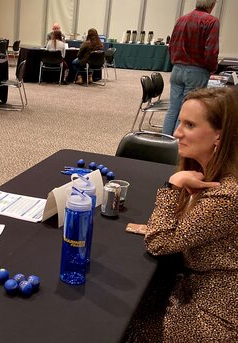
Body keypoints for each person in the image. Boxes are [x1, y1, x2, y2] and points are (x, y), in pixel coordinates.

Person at [127, 87, 238, 342]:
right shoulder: (212, 175)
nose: (176, 133)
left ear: (218, 137)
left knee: (128, 324)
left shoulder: (228, 195)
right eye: (180, 122)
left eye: (189, 125)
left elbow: (159, 242)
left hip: (216, 313)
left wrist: (172, 186)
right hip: (199, 287)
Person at [162, 0, 219, 135]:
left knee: (173, 109)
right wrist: (212, 69)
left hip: (177, 69)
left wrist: (176, 62)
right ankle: (177, 148)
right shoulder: (212, 22)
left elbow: (171, 45)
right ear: (212, 4)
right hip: (196, 72)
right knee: (186, 112)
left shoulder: (181, 19)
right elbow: (211, 51)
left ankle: (165, 143)